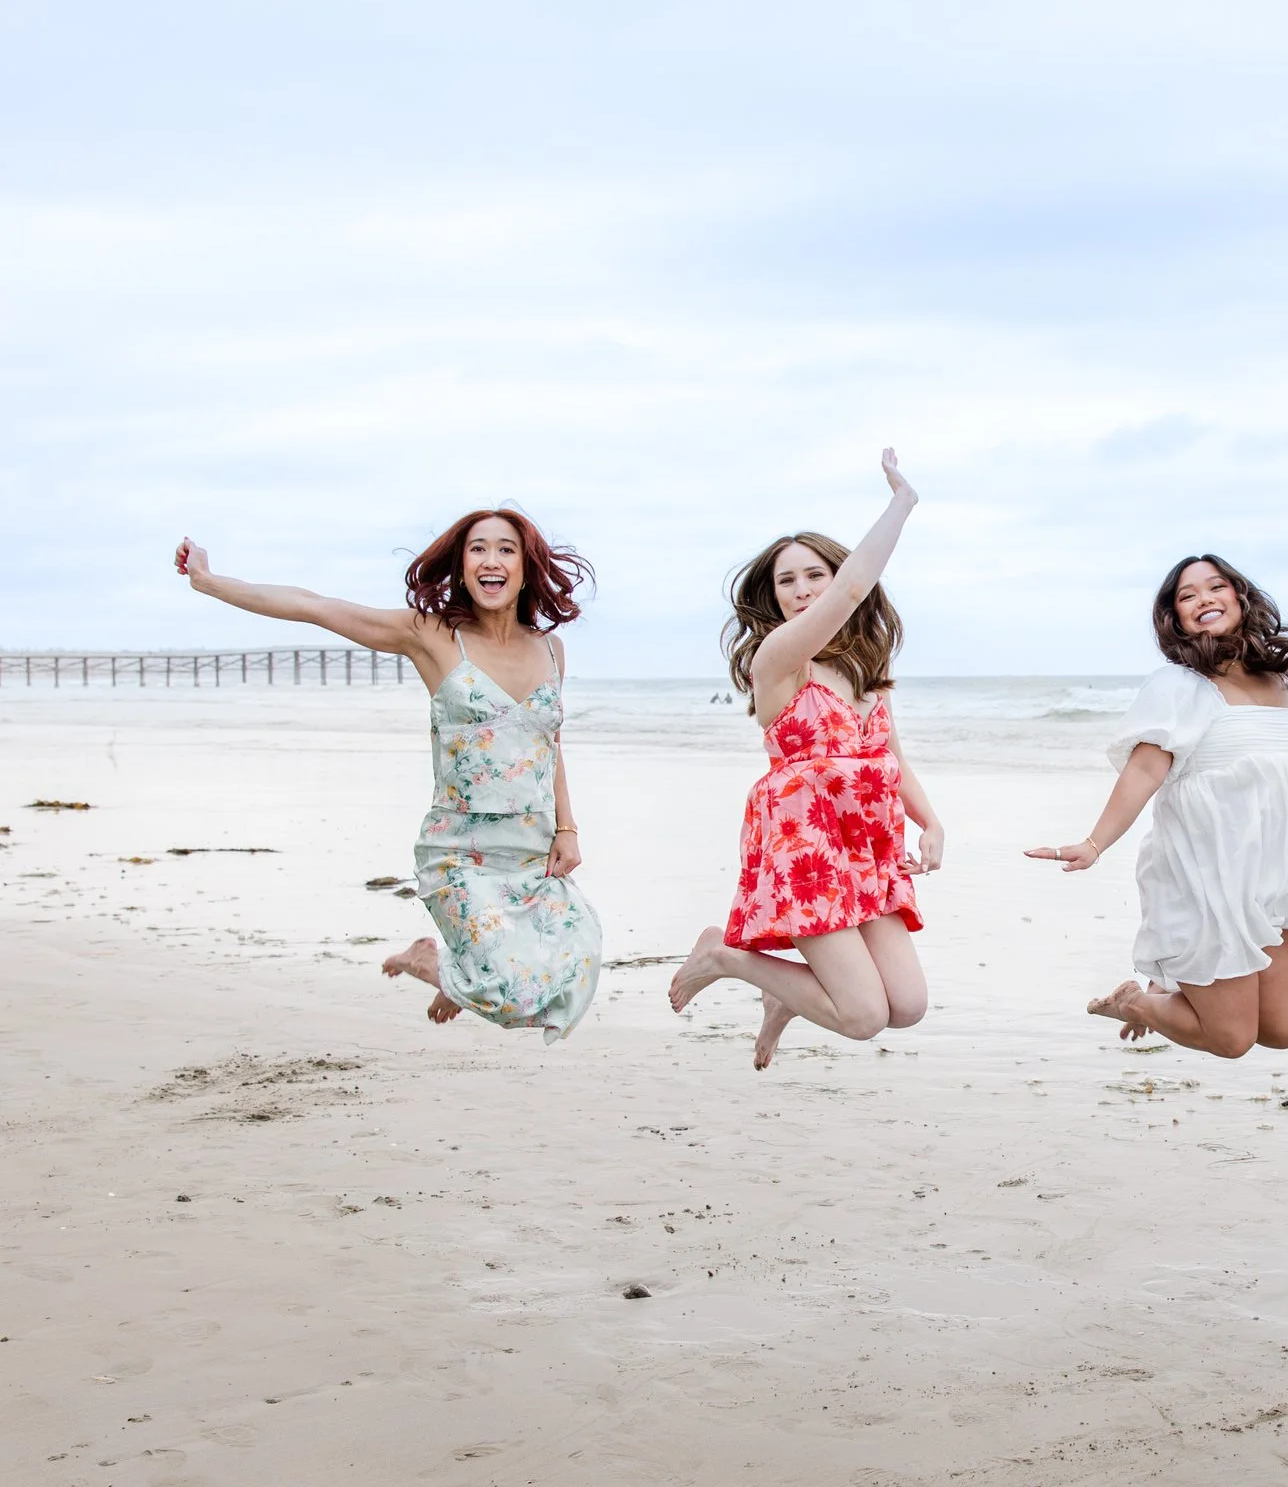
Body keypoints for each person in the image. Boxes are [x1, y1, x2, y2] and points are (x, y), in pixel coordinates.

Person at [174, 511, 602, 1038]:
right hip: (462, 849)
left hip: (531, 845)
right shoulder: (433, 636)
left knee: (576, 967)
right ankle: (430, 964)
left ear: (525, 564)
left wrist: (567, 827)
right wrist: (210, 582)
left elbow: (548, 743)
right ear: (462, 566)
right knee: (513, 993)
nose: (491, 561)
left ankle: (456, 977)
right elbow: (316, 607)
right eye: (478, 550)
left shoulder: (550, 648)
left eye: (506, 550)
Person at [668, 451, 940, 1069]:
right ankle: (725, 957)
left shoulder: (864, 672)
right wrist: (902, 503)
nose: (802, 590)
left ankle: (786, 997)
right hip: (806, 849)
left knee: (909, 1005)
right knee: (864, 1016)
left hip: (865, 847)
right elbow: (850, 591)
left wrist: (933, 823)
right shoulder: (780, 662)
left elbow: (892, 758)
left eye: (813, 575)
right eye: (787, 581)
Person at [1028, 555, 1288, 1059]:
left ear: (1240, 596)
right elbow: (1144, 772)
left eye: (1216, 587)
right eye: (1188, 596)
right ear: (1176, 618)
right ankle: (1137, 1003)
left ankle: (1164, 995)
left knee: (1281, 1031)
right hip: (1208, 881)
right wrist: (1093, 844)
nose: (1204, 600)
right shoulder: (1181, 687)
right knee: (1231, 1040)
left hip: (1279, 883)